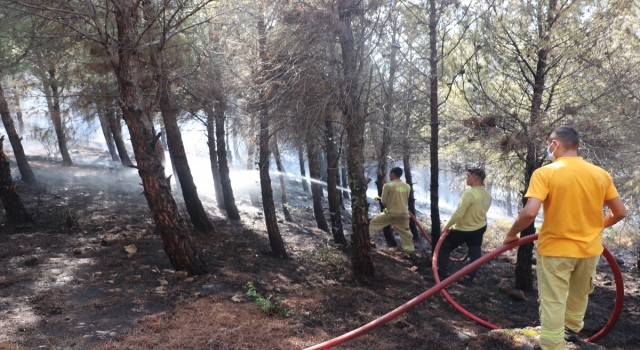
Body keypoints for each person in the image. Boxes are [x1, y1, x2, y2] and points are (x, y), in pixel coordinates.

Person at [503, 126, 627, 350]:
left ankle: (552, 345)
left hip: (555, 250)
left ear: (556, 144)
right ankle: (571, 331)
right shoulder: (601, 174)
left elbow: (530, 212)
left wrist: (512, 234)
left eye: (550, 144)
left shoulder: (545, 173)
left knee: (553, 299)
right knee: (579, 293)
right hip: (589, 250)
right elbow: (620, 212)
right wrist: (597, 225)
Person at [424, 168, 492, 284]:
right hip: (479, 228)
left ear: (475, 178)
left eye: (468, 176)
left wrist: (447, 226)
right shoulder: (487, 195)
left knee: (443, 249)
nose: (466, 178)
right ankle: (468, 279)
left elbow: (459, 214)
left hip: (463, 229)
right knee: (475, 254)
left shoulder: (469, 194)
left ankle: (441, 277)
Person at [369, 167, 414, 253]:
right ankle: (410, 251)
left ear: (393, 174)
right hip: (404, 214)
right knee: (406, 234)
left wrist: (387, 205)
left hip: (391, 213)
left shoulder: (388, 185)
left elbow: (384, 201)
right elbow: (402, 199)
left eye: (390, 174)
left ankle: (363, 240)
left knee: (373, 223)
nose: (389, 176)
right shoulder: (407, 186)